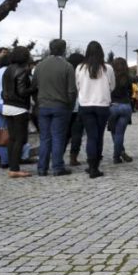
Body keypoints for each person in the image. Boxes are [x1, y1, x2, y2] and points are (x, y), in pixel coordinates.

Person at [33, 39, 76, 176]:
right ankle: (57, 167)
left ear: (50, 49)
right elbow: (71, 90)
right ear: (63, 50)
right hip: (61, 105)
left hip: (43, 105)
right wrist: (70, 104)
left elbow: (34, 86)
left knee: (45, 138)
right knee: (58, 137)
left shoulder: (39, 66)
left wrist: (38, 101)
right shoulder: (67, 66)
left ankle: (42, 168)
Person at [75, 41, 115, 179]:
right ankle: (95, 166)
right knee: (99, 135)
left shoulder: (80, 68)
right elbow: (112, 86)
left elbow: (77, 86)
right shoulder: (107, 68)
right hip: (102, 105)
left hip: (85, 105)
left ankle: (91, 165)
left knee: (91, 136)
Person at [2, 46, 36, 178]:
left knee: (12, 138)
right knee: (20, 139)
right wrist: (34, 88)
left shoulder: (7, 70)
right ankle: (15, 169)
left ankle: (12, 167)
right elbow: (22, 91)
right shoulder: (23, 70)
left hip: (7, 106)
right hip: (19, 107)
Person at [109, 57, 134, 164]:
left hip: (113, 106)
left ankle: (118, 155)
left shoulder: (110, 77)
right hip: (125, 106)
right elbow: (131, 92)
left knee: (114, 132)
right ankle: (118, 155)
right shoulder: (128, 78)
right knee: (120, 133)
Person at [66, 53, 85, 166]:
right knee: (77, 134)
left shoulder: (65, 72)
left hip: (66, 107)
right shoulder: (82, 73)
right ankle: (73, 157)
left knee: (65, 133)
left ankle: (58, 155)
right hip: (79, 106)